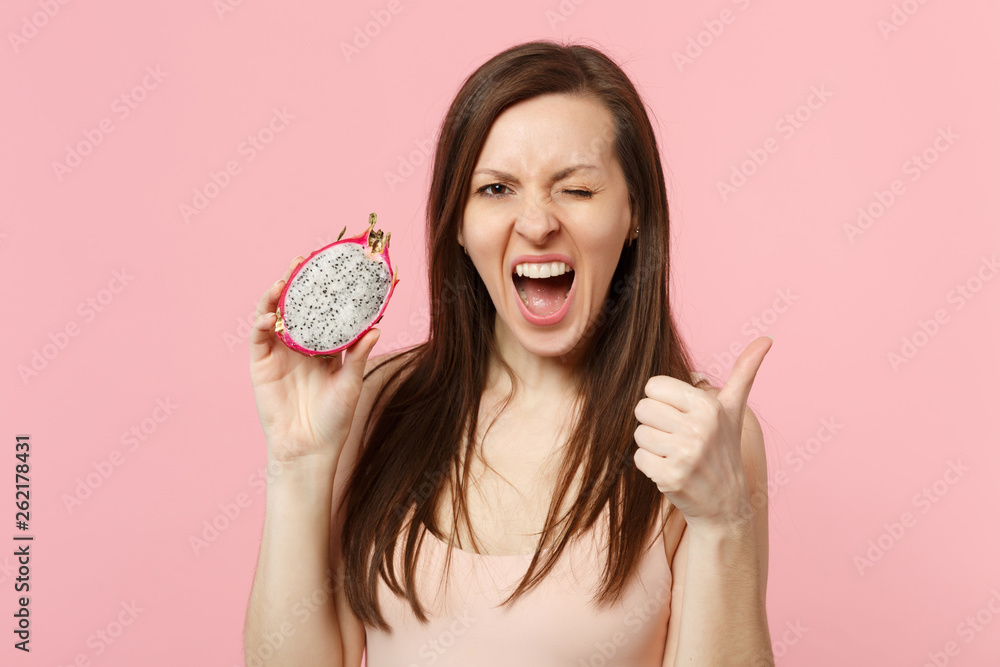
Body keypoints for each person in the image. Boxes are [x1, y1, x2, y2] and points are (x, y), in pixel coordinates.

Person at [244, 40, 775, 666]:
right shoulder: (377, 400)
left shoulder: (695, 437)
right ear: (460, 226)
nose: (536, 222)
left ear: (635, 214)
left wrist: (725, 525)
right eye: (496, 189)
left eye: (576, 190)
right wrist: (299, 463)